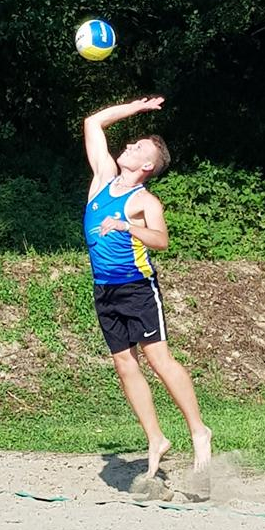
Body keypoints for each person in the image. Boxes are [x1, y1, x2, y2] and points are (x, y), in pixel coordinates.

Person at [83, 95, 212, 476]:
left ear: (147, 166)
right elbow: (93, 122)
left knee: (158, 360)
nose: (129, 145)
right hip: (104, 289)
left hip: (137, 289)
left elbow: (161, 240)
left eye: (138, 146)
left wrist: (126, 226)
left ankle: (198, 430)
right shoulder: (102, 179)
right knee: (124, 364)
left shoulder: (144, 201)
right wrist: (136, 109)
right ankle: (156, 438)